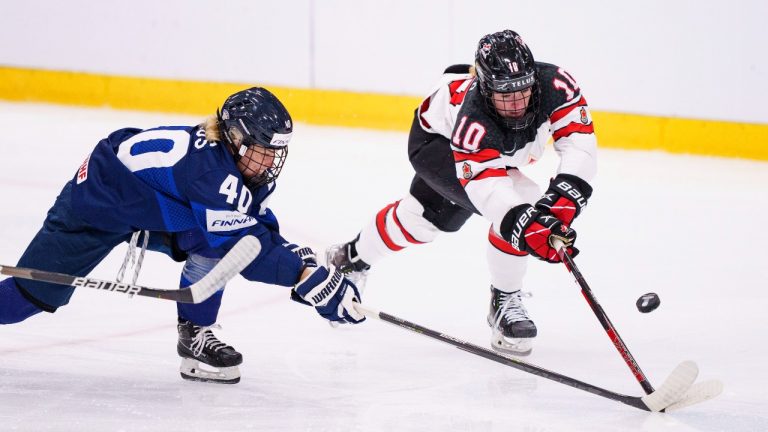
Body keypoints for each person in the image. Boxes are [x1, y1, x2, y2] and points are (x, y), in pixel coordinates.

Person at [0, 87, 365, 383]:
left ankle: (195, 333)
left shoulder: (235, 166)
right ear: (236, 139)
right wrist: (303, 277)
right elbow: (244, 250)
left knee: (214, 239)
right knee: (22, 302)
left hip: (154, 206)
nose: (270, 162)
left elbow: (252, 226)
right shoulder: (209, 174)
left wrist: (296, 260)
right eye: (262, 151)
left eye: (275, 153)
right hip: (99, 202)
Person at [326, 30, 596, 356]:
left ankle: (349, 257)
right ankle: (503, 301)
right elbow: (489, 188)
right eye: (503, 94)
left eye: (522, 90)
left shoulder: (555, 85)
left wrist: (564, 202)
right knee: (514, 206)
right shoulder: (473, 118)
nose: (516, 104)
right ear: (484, 87)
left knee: (419, 221)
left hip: (488, 148)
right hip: (435, 143)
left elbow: (579, 144)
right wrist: (526, 223)